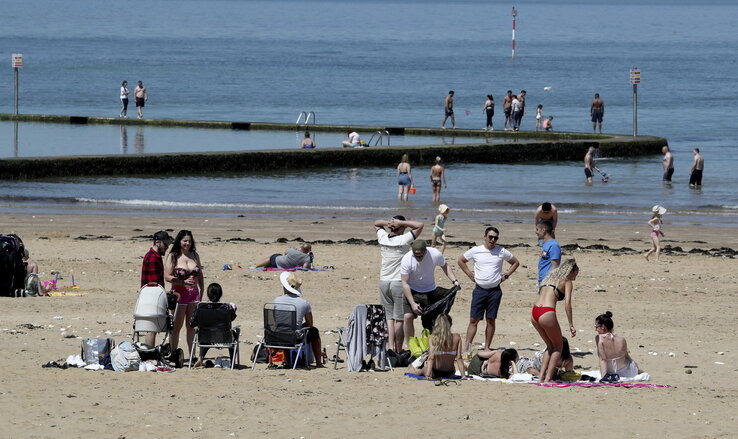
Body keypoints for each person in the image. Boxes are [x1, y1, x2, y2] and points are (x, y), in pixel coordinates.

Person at [457, 226, 520, 353]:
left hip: (495, 290)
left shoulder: (501, 251)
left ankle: (487, 346)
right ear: (485, 237)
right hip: (480, 289)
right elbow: (461, 260)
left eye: (495, 238)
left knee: (491, 319)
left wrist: (506, 275)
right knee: (473, 320)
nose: (492, 240)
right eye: (490, 237)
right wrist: (470, 274)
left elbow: (515, 262)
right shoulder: (476, 250)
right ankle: (467, 347)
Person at [374, 215, 424, 352]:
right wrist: (401, 222)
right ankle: (398, 349)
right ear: (402, 228)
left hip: (383, 281)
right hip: (397, 282)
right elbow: (420, 225)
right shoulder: (403, 239)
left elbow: (376, 223)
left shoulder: (383, 237)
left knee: (389, 318)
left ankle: (390, 346)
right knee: (399, 319)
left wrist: (388, 223)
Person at [400, 240, 461, 348]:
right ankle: (409, 345)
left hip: (430, 291)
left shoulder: (435, 254)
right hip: (412, 290)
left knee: (433, 320)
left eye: (420, 256)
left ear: (426, 252)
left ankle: (432, 345)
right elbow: (405, 283)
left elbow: (445, 266)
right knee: (408, 316)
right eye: (416, 256)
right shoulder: (407, 259)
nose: (418, 258)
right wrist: (413, 304)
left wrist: (454, 281)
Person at [531, 258, 578, 382]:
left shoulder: (549, 278)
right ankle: (548, 378)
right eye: (576, 273)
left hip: (535, 311)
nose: (575, 277)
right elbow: (567, 304)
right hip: (546, 312)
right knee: (558, 346)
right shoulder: (566, 281)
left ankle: (541, 377)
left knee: (550, 346)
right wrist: (571, 324)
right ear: (572, 271)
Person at [272, 271, 325, 368]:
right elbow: (310, 324)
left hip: (276, 337)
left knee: (284, 329)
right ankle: (318, 362)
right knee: (314, 331)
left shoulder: (276, 301)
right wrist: (299, 325)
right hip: (294, 338)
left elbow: (273, 322)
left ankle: (288, 361)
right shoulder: (304, 303)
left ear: (284, 286)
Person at [165, 230, 204, 356]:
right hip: (179, 295)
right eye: (184, 241)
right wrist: (182, 282)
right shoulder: (173, 256)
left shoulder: (194, 255)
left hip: (194, 295)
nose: (187, 243)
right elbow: (167, 276)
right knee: (176, 327)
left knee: (191, 327)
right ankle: (173, 354)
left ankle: (192, 355)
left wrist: (202, 290)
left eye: (189, 241)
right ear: (179, 241)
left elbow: (200, 275)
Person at [190, 283, 238, 367]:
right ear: (220, 294)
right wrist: (234, 308)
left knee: (204, 332)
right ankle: (232, 360)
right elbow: (232, 318)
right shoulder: (227, 307)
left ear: (208, 294)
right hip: (225, 338)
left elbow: (192, 323)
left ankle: (200, 358)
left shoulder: (200, 307)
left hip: (206, 338)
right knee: (234, 334)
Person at [407, 314, 465, 378]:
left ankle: (415, 371)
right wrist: (463, 375)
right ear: (450, 324)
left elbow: (431, 358)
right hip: (450, 374)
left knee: (423, 369)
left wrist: (428, 375)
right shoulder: (457, 337)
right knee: (426, 366)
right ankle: (420, 371)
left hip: (435, 373)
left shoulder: (433, 338)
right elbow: (459, 358)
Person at [595, 311, 642, 380]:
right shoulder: (622, 339)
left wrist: (604, 377)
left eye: (596, 326)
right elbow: (626, 356)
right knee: (631, 364)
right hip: (628, 372)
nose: (595, 329)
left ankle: (638, 370)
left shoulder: (599, 338)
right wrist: (636, 368)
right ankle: (639, 371)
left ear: (602, 327)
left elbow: (603, 359)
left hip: (612, 372)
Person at [536, 221, 561, 285]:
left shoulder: (554, 245)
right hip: (542, 280)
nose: (536, 232)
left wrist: (551, 282)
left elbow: (555, 266)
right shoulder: (545, 244)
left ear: (543, 230)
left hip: (548, 281)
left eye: (537, 229)